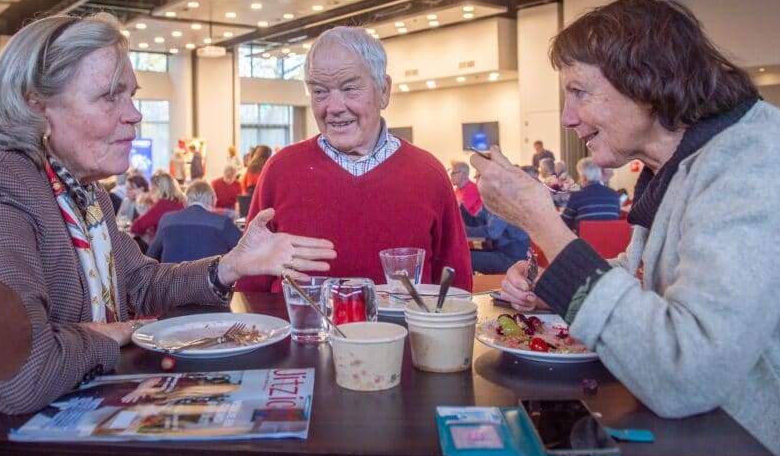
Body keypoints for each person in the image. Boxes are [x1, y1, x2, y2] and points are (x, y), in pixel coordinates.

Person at [0, 13, 335, 456]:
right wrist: (107, 335)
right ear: (36, 107)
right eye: (110, 95)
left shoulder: (81, 189)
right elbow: (18, 374)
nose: (134, 113)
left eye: (130, 94)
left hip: (57, 435)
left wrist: (229, 267)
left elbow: (139, 281)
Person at [472, 0, 780, 456]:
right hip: (726, 449)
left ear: (648, 82)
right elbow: (659, 281)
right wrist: (551, 279)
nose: (566, 118)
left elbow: (685, 372)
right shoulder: (691, 159)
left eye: (579, 92)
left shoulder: (757, 167)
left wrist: (545, 228)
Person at [236, 26, 471, 293]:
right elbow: (250, 290)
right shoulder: (281, 170)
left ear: (383, 90)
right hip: (302, 334)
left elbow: (456, 287)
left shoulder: (428, 174)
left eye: (349, 89)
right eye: (320, 92)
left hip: (405, 335)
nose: (334, 107)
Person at [147, 180, 242, 263]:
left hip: (172, 281)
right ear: (213, 200)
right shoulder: (222, 222)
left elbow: (151, 254)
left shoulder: (167, 219)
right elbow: (243, 249)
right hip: (208, 282)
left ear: (185, 201)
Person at [560, 157, 622, 230]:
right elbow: (616, 218)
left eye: (580, 176)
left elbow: (564, 223)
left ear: (584, 177)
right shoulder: (614, 195)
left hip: (584, 240)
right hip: (611, 240)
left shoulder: (577, 195)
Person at [464, 206, 529, 274]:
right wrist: (462, 207)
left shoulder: (503, 205)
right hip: (498, 248)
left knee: (465, 258)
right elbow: (479, 221)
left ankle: (471, 283)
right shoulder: (490, 203)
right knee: (462, 253)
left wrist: (460, 231)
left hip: (511, 259)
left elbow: (492, 233)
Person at [129, 170, 185, 243]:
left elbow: (136, 227)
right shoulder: (183, 203)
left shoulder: (162, 205)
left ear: (156, 189)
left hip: (163, 250)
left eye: (151, 187)